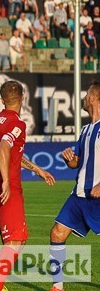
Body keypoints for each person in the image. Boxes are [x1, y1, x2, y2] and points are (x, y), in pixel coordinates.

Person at [0, 80, 55, 291]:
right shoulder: (17, 123)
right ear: (23, 97)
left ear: (2, 99)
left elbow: (14, 152)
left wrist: (37, 170)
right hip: (7, 187)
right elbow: (4, 149)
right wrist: (6, 181)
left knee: (20, 240)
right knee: (14, 241)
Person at [48, 81, 100, 291]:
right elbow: (75, 163)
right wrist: (68, 156)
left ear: (95, 97)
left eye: (87, 94)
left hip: (98, 197)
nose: (84, 97)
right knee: (56, 233)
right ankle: (57, 287)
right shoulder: (86, 129)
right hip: (79, 195)